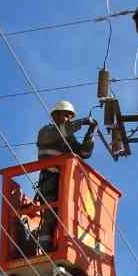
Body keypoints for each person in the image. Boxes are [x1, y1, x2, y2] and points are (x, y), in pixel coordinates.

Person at [30, 99, 95, 250]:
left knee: (68, 216)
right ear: (55, 116)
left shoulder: (69, 140)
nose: (68, 119)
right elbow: (62, 131)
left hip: (67, 182)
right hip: (50, 179)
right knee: (51, 215)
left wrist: (91, 132)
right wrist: (81, 122)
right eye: (65, 115)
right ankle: (45, 248)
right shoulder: (46, 132)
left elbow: (84, 152)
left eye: (70, 116)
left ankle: (64, 247)